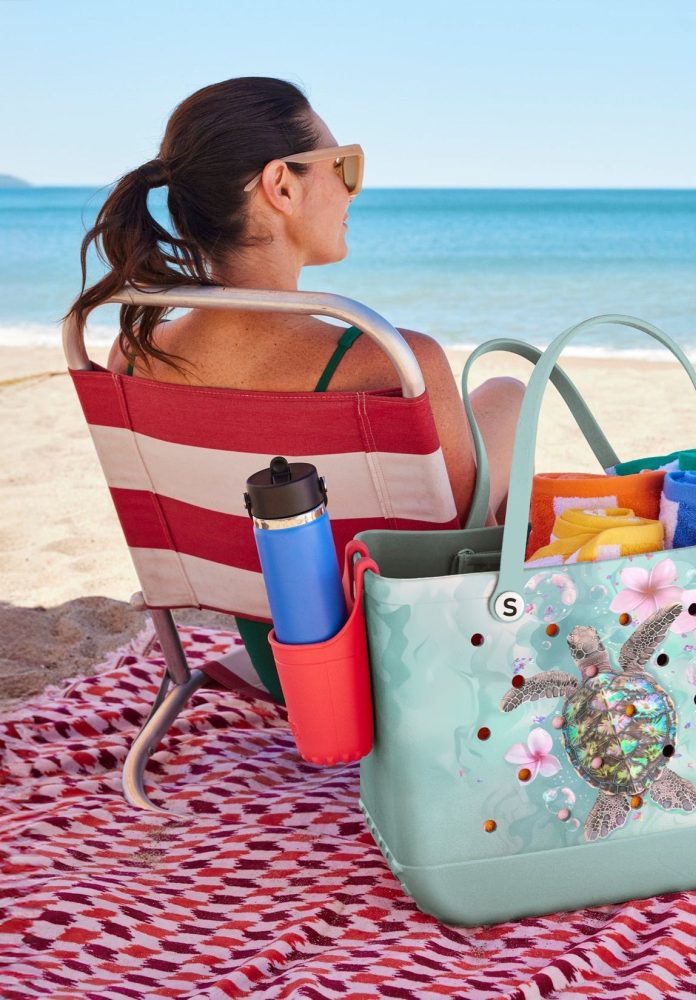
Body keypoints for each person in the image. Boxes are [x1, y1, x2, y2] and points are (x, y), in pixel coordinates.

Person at [66, 77, 523, 695]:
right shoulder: (392, 362)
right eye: (343, 166)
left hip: (278, 660)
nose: (352, 189)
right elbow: (462, 547)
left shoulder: (134, 357)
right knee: (508, 397)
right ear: (281, 185)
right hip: (403, 677)